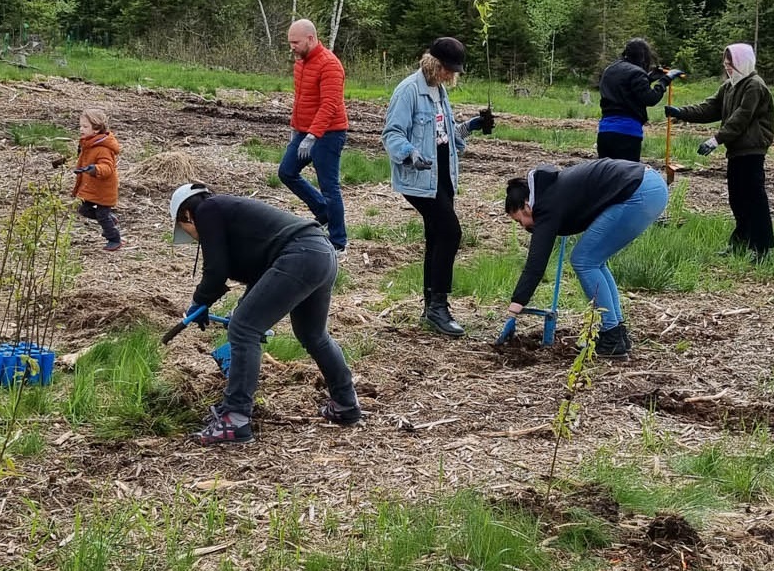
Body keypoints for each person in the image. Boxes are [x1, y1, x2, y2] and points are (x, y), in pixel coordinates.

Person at [169, 181, 359, 445]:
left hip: (300, 255)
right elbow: (261, 272)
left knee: (244, 329)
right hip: (319, 254)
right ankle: (345, 404)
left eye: (187, 231)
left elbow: (216, 270)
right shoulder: (230, 216)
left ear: (186, 215)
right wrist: (239, 308)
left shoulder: (206, 210)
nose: (193, 237)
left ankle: (234, 419)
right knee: (312, 334)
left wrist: (199, 301)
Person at [381, 36, 494, 336]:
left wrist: (472, 126)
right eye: (447, 69)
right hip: (419, 178)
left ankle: (430, 306)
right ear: (433, 63)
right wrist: (409, 153)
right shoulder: (409, 91)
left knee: (436, 237)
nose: (450, 75)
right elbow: (392, 134)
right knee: (450, 232)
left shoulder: (440, 91)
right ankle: (439, 308)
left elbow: (446, 134)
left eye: (453, 71)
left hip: (442, 175)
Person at [500, 160, 670, 359]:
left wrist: (516, 305)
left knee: (584, 260)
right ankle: (616, 333)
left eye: (520, 220)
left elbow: (536, 264)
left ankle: (611, 336)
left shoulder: (545, 204)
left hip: (638, 191)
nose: (523, 226)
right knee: (593, 260)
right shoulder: (550, 191)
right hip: (650, 185)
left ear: (527, 206)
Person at [666, 42, 774, 259]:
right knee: (737, 198)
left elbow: (741, 118)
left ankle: (762, 247)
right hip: (736, 150)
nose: (727, 67)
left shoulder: (754, 85)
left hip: (752, 149)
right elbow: (710, 108)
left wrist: (715, 140)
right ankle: (741, 242)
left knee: (754, 197)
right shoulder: (729, 86)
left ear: (742, 62)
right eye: (726, 64)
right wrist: (681, 112)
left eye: (731, 64)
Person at [279, 18, 349, 252]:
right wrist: (295, 130)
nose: (292, 47)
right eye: (290, 43)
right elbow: (301, 101)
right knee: (287, 172)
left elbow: (329, 105)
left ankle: (338, 242)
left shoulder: (330, 65)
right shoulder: (300, 63)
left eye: (295, 42)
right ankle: (323, 212)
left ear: (311, 38)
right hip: (304, 131)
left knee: (329, 186)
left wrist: (313, 136)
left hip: (329, 134)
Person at [596, 37, 680, 161]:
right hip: (627, 133)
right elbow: (650, 98)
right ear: (644, 56)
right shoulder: (637, 72)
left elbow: (625, 87)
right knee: (626, 175)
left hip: (605, 131)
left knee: (606, 174)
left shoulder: (610, 69)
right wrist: (664, 81)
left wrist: (649, 78)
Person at [72, 107, 122, 252]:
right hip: (91, 187)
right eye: (80, 126)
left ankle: (114, 238)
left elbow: (108, 167)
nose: (81, 129)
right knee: (83, 209)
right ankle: (111, 219)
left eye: (85, 126)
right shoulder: (88, 143)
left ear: (96, 129)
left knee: (102, 215)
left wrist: (95, 169)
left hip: (103, 190)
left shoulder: (103, 148)